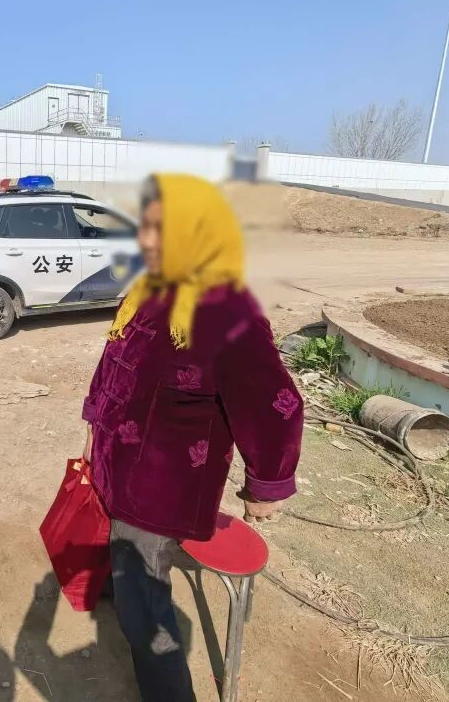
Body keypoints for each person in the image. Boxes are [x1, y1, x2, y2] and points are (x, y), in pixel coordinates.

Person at [80, 173, 303, 701]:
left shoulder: (227, 313)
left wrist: (266, 485)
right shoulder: (149, 292)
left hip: (161, 491)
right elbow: (113, 369)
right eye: (144, 226)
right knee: (126, 571)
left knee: (147, 617)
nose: (146, 240)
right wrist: (93, 429)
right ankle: (117, 590)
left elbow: (276, 406)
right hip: (117, 467)